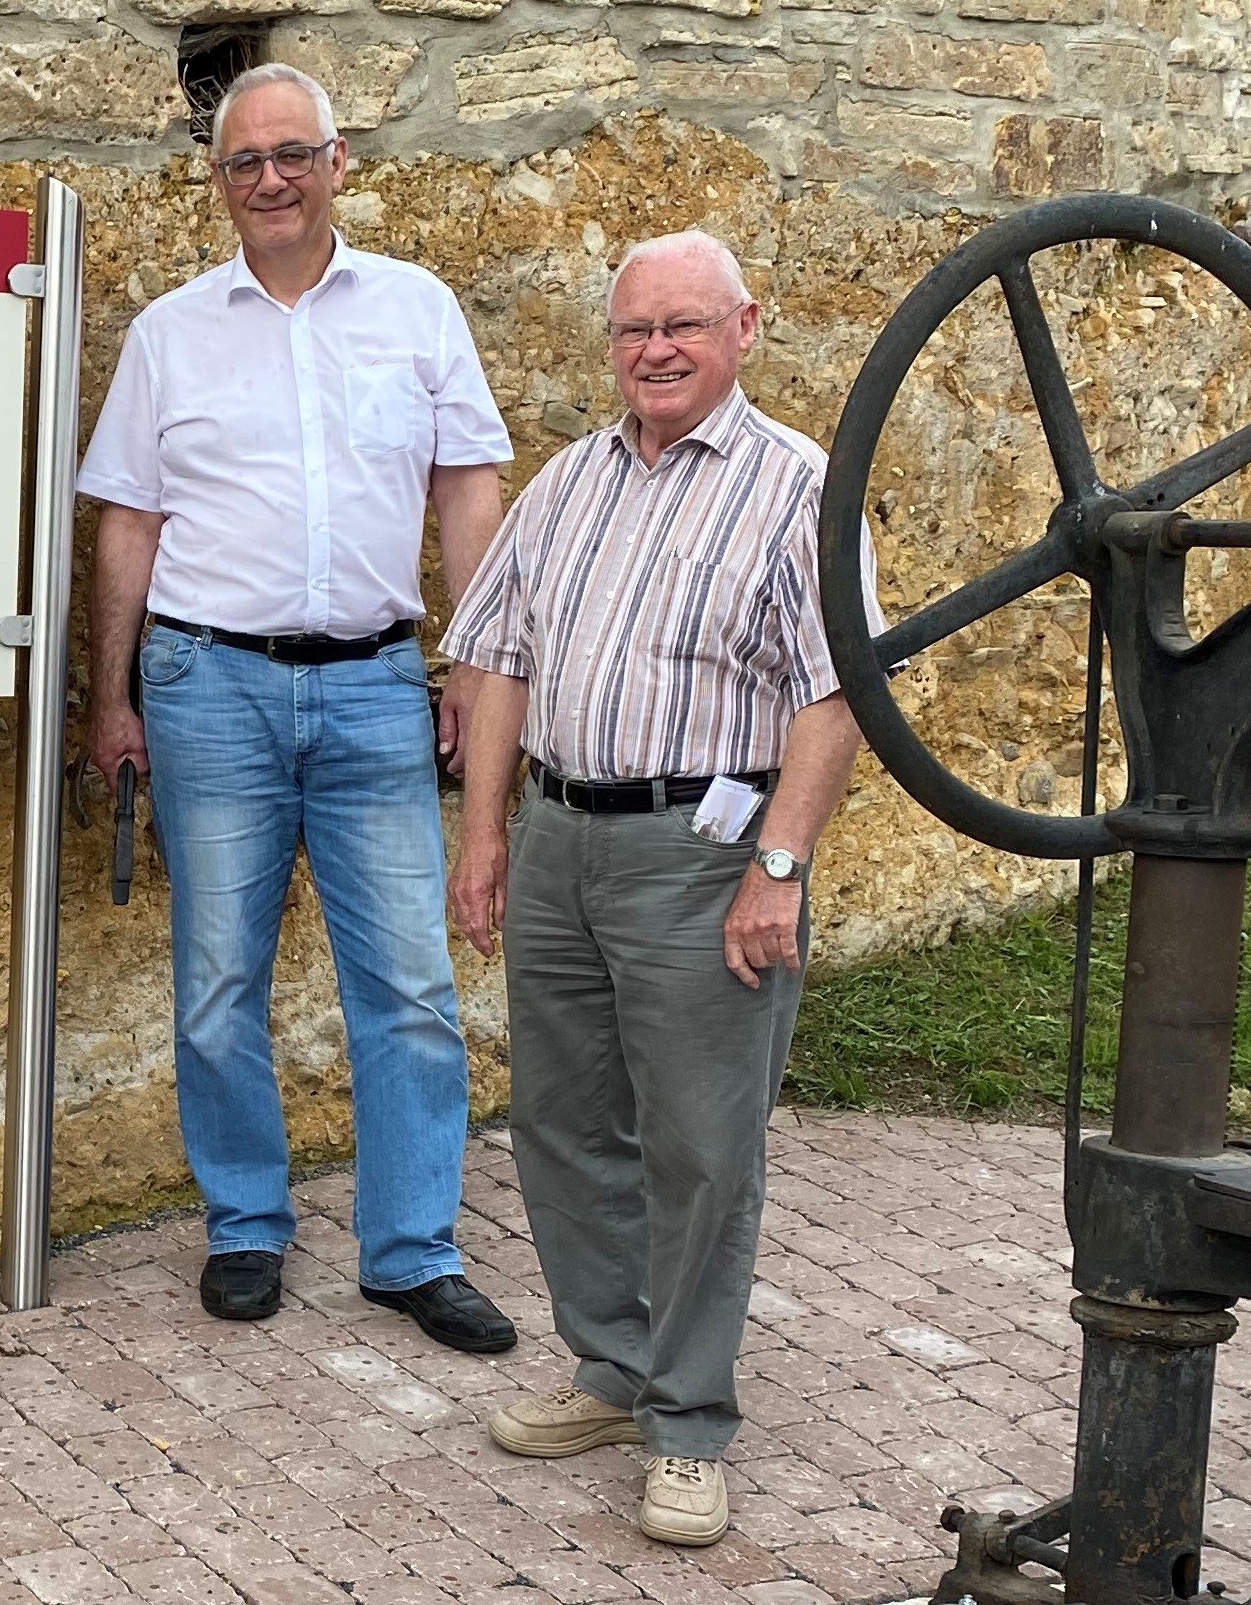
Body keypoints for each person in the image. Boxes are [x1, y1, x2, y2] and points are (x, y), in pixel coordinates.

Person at [74, 63, 516, 1346]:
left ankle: (413, 1247)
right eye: (241, 162)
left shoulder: (419, 311)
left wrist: (476, 667)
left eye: (291, 154)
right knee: (218, 981)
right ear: (217, 183)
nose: (268, 178)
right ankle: (247, 1224)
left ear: (338, 161)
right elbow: (127, 527)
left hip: (380, 684)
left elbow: (468, 500)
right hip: (208, 685)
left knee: (414, 988)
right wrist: (114, 701)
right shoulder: (170, 333)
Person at [440, 230, 867, 1550]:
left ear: (746, 326)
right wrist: (488, 833)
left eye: (684, 325)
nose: (658, 352)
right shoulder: (568, 481)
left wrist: (777, 867)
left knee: (698, 1144)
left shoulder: (799, 489)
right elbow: (497, 659)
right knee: (565, 1126)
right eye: (635, 331)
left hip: (706, 852)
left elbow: (837, 698)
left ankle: (687, 1420)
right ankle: (612, 1369)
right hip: (565, 839)